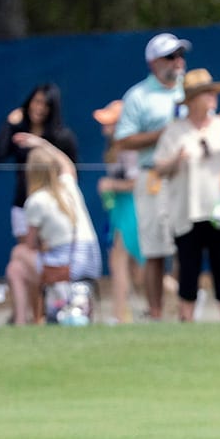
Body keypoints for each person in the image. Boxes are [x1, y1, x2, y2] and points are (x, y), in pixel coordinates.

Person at [152, 69, 220, 322]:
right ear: (191, 100)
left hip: (219, 209)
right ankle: (186, 317)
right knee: (188, 266)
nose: (211, 99)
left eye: (212, 94)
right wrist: (176, 159)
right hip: (187, 210)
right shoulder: (175, 131)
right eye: (205, 94)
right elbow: (159, 167)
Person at [0, 83, 80, 325]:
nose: (38, 108)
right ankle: (33, 313)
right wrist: (9, 124)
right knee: (26, 259)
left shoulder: (61, 137)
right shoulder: (20, 132)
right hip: (24, 206)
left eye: (44, 104)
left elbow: (72, 171)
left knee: (36, 257)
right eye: (35, 102)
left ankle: (49, 310)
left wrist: (41, 146)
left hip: (53, 210)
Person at [114, 32, 189, 320]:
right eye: (171, 56)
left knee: (187, 244)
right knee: (155, 248)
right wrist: (165, 132)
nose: (178, 62)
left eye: (180, 55)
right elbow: (123, 140)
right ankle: (156, 313)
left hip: (186, 175)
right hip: (154, 177)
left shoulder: (190, 90)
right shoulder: (138, 96)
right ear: (154, 62)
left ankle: (185, 310)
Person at [11, 136, 102, 323]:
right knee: (16, 269)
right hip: (91, 261)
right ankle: (34, 317)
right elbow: (67, 163)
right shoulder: (69, 186)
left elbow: (29, 244)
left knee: (17, 254)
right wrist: (43, 144)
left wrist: (45, 244)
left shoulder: (36, 201)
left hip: (67, 266)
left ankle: (23, 319)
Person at [92, 100, 141, 324]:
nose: (105, 128)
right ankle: (123, 314)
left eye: (110, 123)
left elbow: (135, 182)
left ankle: (119, 315)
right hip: (119, 209)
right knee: (136, 268)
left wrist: (110, 184)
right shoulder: (114, 148)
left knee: (120, 261)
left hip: (132, 207)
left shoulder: (129, 148)